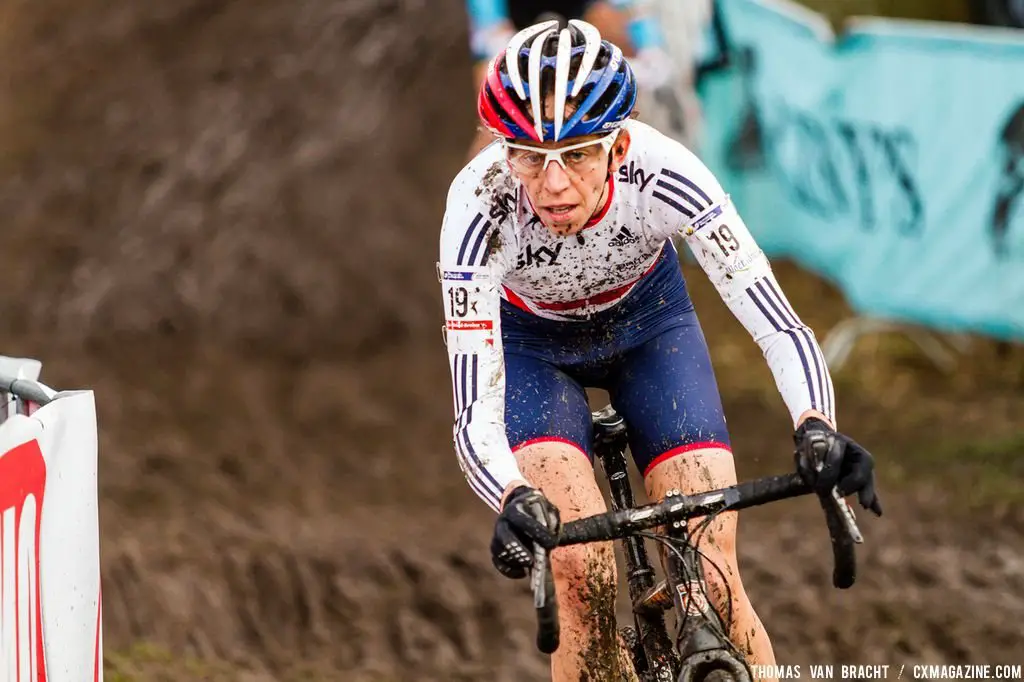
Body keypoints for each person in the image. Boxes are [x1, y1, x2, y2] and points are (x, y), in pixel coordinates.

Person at [438, 19, 882, 682]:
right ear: (505, 153)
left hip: (650, 329)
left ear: (619, 147)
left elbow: (778, 324)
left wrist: (815, 423)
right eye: (530, 156)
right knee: (579, 569)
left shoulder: (667, 173)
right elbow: (474, 402)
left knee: (712, 567)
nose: (554, 185)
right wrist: (508, 495)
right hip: (534, 348)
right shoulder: (478, 207)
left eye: (580, 154)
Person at [462, 0, 677, 159]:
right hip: (517, 30)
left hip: (581, 26)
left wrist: (649, 47)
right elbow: (488, 21)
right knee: (493, 100)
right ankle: (484, 180)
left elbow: (629, 10)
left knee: (608, 22)